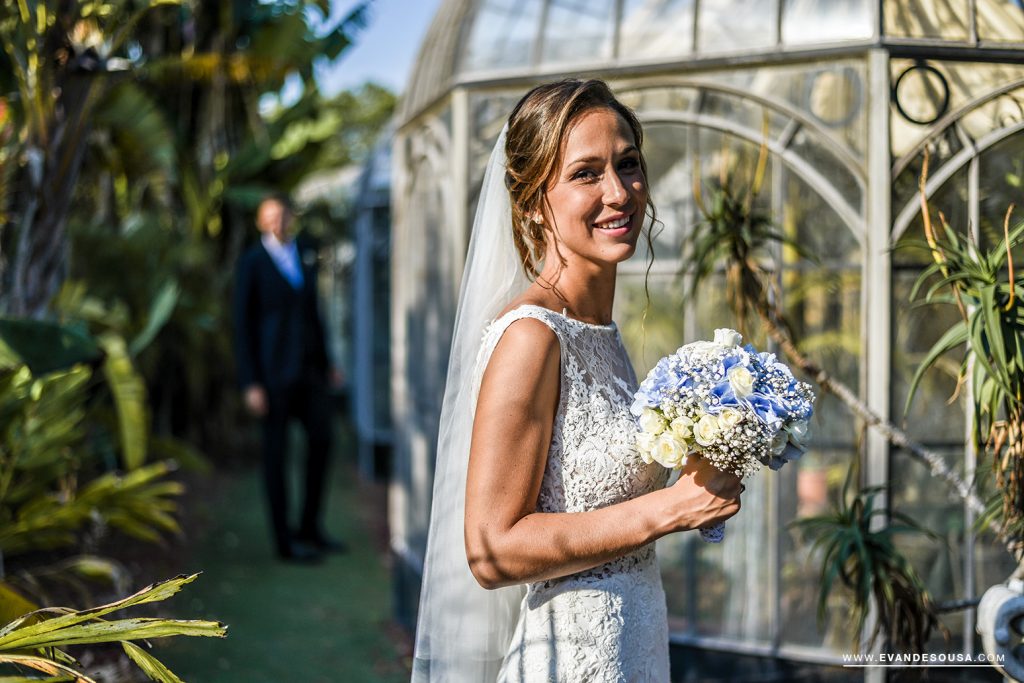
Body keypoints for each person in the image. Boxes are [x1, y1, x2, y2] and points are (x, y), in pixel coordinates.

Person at [411, 80, 744, 682]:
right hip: (571, 661)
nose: (618, 193)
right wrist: (671, 507)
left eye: (628, 164)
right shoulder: (532, 337)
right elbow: (491, 550)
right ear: (535, 201)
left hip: (638, 647)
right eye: (586, 173)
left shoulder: (601, 334)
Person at [233, 194, 343, 563]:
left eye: (282, 216)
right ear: (261, 223)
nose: (277, 223)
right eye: (270, 218)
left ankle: (309, 527)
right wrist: (250, 382)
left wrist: (328, 362)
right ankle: (284, 541)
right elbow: (242, 325)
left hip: (310, 371)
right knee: (276, 457)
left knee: (322, 440)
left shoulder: (304, 254)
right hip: (272, 375)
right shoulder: (251, 262)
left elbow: (315, 313)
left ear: (290, 218)